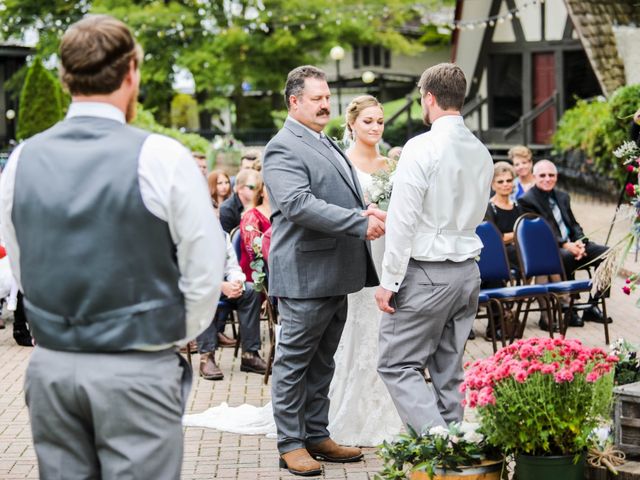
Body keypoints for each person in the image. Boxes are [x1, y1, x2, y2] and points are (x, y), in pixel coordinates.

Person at [0, 15, 225, 479]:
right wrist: (170, 330)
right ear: (131, 73)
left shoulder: (21, 160)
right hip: (137, 366)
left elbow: (22, 263)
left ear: (66, 78)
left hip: (53, 367)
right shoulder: (163, 156)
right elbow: (205, 268)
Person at [263, 65, 384, 477]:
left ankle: (316, 434)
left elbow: (338, 194)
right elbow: (297, 204)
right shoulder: (282, 146)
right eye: (317, 98)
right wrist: (358, 223)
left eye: (327, 97)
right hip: (304, 275)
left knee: (323, 362)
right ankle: (290, 443)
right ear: (294, 100)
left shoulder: (326, 141)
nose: (325, 104)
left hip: (336, 271)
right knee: (294, 362)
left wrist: (364, 210)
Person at [375, 63, 493, 433]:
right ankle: (455, 450)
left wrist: (389, 281)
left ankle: (439, 442)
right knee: (448, 368)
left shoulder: (420, 147)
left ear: (429, 97)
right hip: (466, 272)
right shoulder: (482, 151)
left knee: (396, 363)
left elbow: (405, 221)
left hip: (427, 273)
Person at [328, 94, 402, 445]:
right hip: (358, 252)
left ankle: (387, 407)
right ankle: (347, 409)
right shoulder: (342, 163)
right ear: (352, 124)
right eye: (368, 121)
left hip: (386, 253)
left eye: (380, 121)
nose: (375, 127)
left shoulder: (390, 165)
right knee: (356, 331)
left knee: (385, 333)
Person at [519, 159, 610, 325]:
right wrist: (566, 245)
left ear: (556, 176)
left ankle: (593, 304)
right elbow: (541, 232)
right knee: (566, 256)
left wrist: (581, 242)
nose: (547, 178)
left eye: (551, 175)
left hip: (573, 244)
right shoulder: (527, 200)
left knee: (608, 254)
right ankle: (570, 308)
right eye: (543, 175)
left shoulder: (562, 196)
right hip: (549, 248)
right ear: (534, 177)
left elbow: (573, 224)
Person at [197, 233, 267, 381]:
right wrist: (220, 286)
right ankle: (206, 357)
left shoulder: (222, 236)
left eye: (217, 213)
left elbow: (232, 268)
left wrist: (237, 283)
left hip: (222, 286)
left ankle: (249, 354)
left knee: (251, 290)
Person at [239, 173, 271, 281]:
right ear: (261, 191)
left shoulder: (284, 214)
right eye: (268, 186)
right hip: (258, 275)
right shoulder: (251, 216)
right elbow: (254, 252)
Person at [219, 168, 260, 233]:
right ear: (239, 188)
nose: (257, 191)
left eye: (259, 187)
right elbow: (227, 239)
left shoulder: (261, 204)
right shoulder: (227, 209)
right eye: (252, 187)